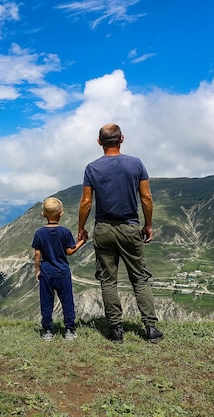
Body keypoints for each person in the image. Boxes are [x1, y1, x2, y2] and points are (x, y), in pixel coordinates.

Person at [78, 123, 163, 344]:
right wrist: (148, 224)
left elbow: (86, 202)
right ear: (121, 139)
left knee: (108, 280)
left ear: (99, 142)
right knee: (140, 278)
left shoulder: (92, 168)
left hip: (103, 228)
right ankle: (151, 328)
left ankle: (116, 330)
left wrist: (81, 228)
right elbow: (146, 198)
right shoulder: (136, 164)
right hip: (130, 227)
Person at [32, 197, 86, 341]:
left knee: (46, 302)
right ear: (61, 214)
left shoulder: (39, 233)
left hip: (46, 273)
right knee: (67, 301)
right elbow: (70, 251)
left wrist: (38, 269)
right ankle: (69, 330)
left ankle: (48, 331)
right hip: (62, 272)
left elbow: (37, 253)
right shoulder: (65, 232)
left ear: (43, 215)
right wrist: (82, 241)